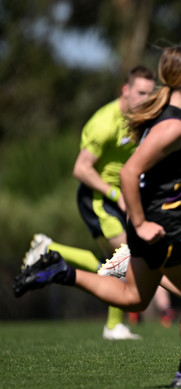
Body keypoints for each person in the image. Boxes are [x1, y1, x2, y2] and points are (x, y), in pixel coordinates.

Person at [14, 45, 181, 389]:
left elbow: (160, 167)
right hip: (165, 226)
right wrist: (140, 224)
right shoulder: (171, 124)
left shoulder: (170, 120)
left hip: (154, 224)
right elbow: (130, 173)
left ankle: (61, 271)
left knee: (134, 298)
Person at [20, 66, 168, 340]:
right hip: (100, 198)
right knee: (128, 254)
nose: (145, 98)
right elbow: (81, 168)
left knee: (111, 262)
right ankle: (49, 249)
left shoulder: (144, 118)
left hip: (124, 196)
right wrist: (115, 195)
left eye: (150, 93)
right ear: (126, 90)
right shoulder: (105, 123)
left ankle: (112, 324)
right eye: (140, 92)